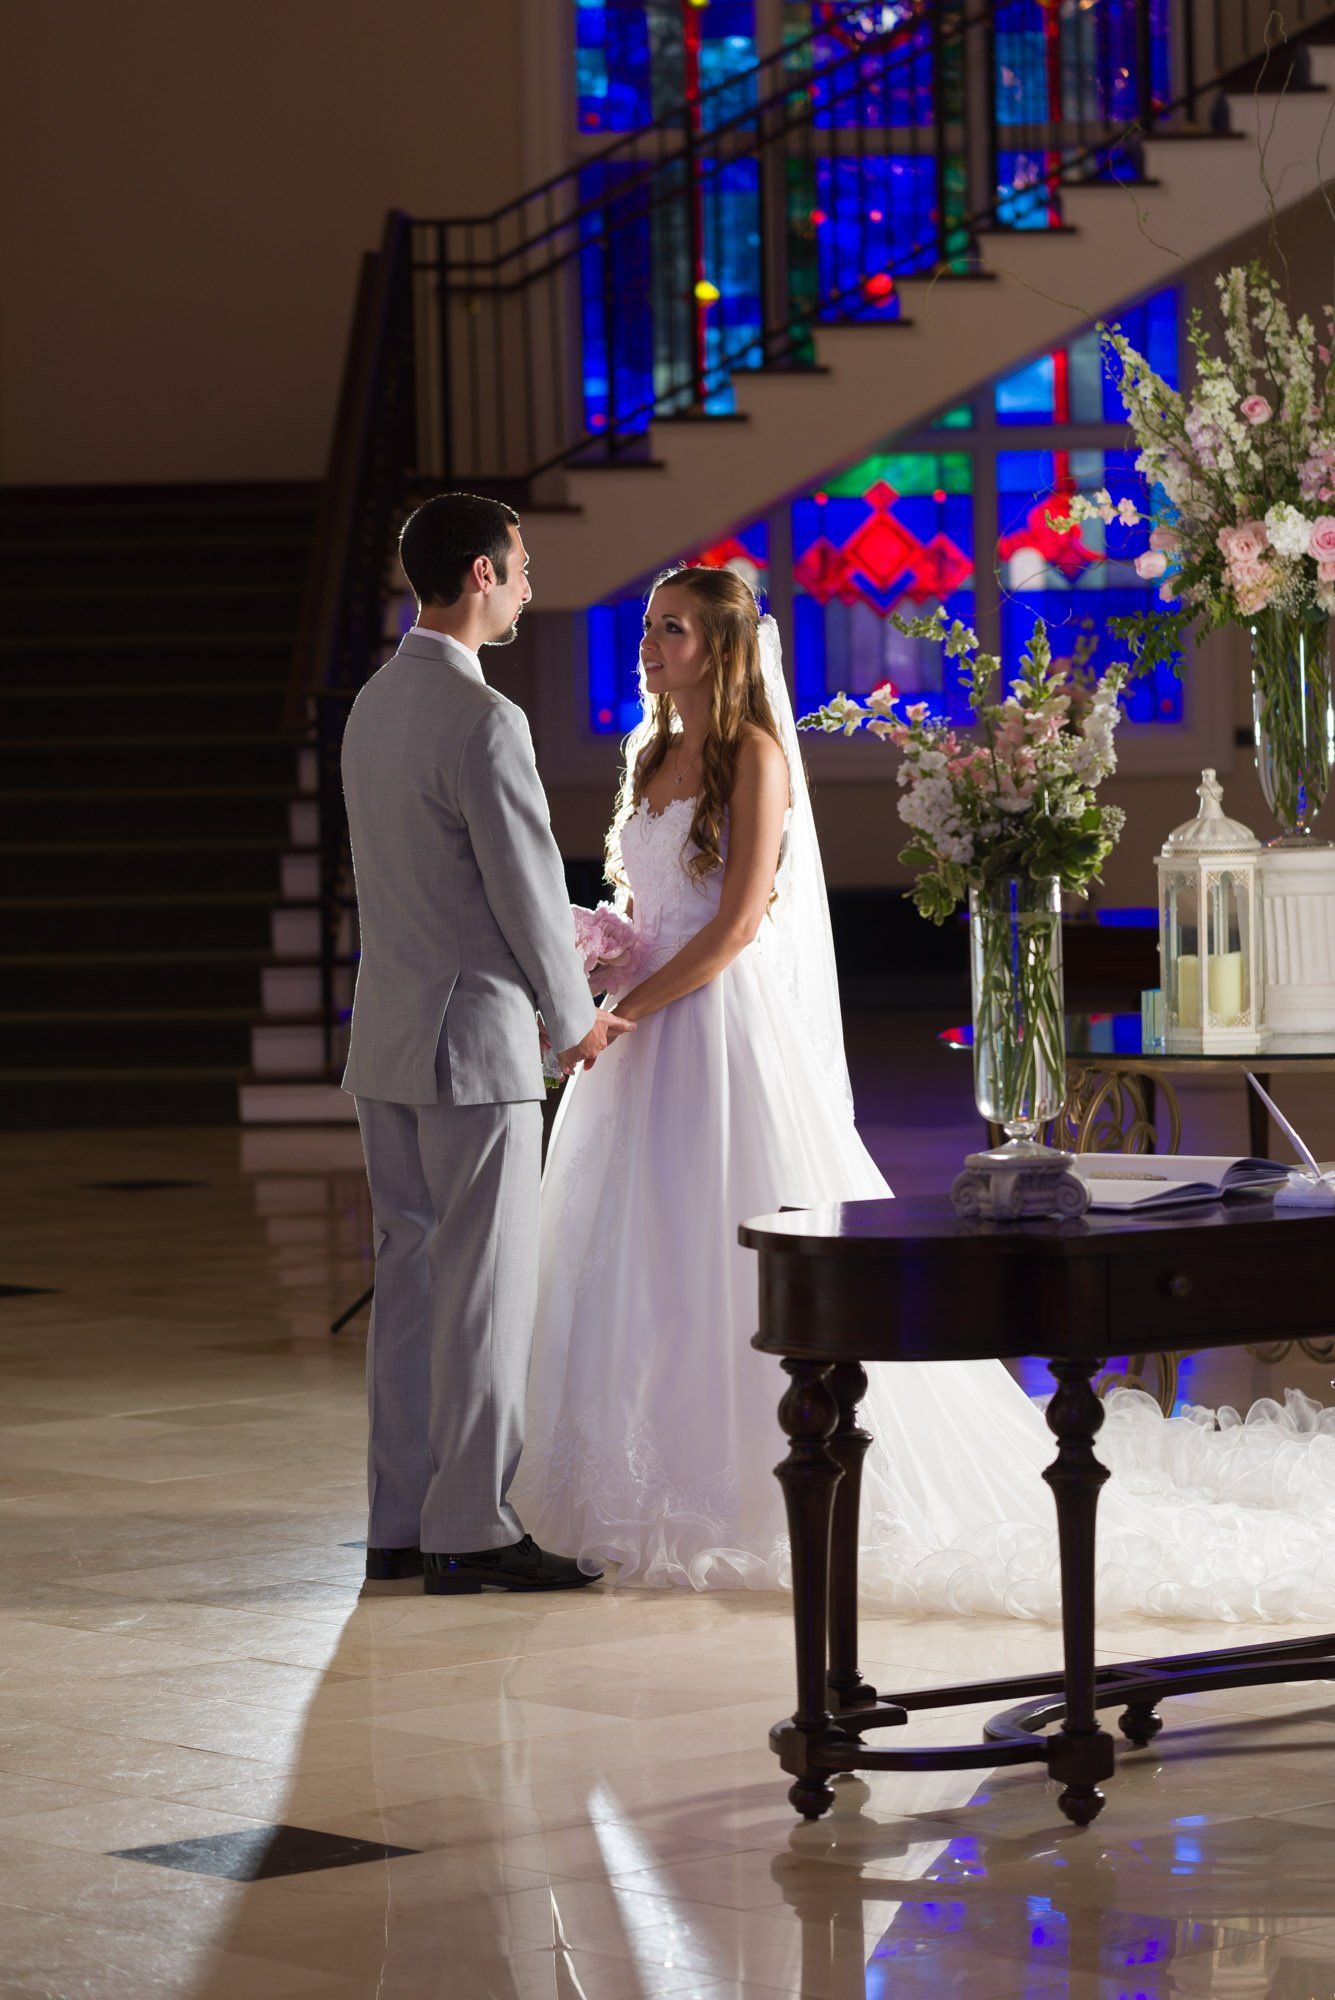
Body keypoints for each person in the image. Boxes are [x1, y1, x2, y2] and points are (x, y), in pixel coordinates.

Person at [513, 564, 1335, 1622]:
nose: (649, 643)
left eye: (671, 629)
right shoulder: (650, 754)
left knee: (719, 1232)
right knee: (632, 1243)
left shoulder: (755, 757)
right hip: (636, 1025)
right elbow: (652, 897)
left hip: (707, 1024)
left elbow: (734, 924)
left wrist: (628, 1005)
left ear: (720, 649)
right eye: (648, 625)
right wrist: (607, 953)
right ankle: (618, 1463)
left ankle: (744, 1476)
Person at [341, 492, 633, 1597]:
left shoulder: (373, 702)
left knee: (411, 1281)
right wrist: (577, 1019)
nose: (525, 581)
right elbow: (521, 885)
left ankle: (401, 1522)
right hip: (474, 1041)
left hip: (388, 1034)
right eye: (518, 566)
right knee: (483, 1289)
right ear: (478, 573)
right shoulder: (484, 719)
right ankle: (471, 1522)